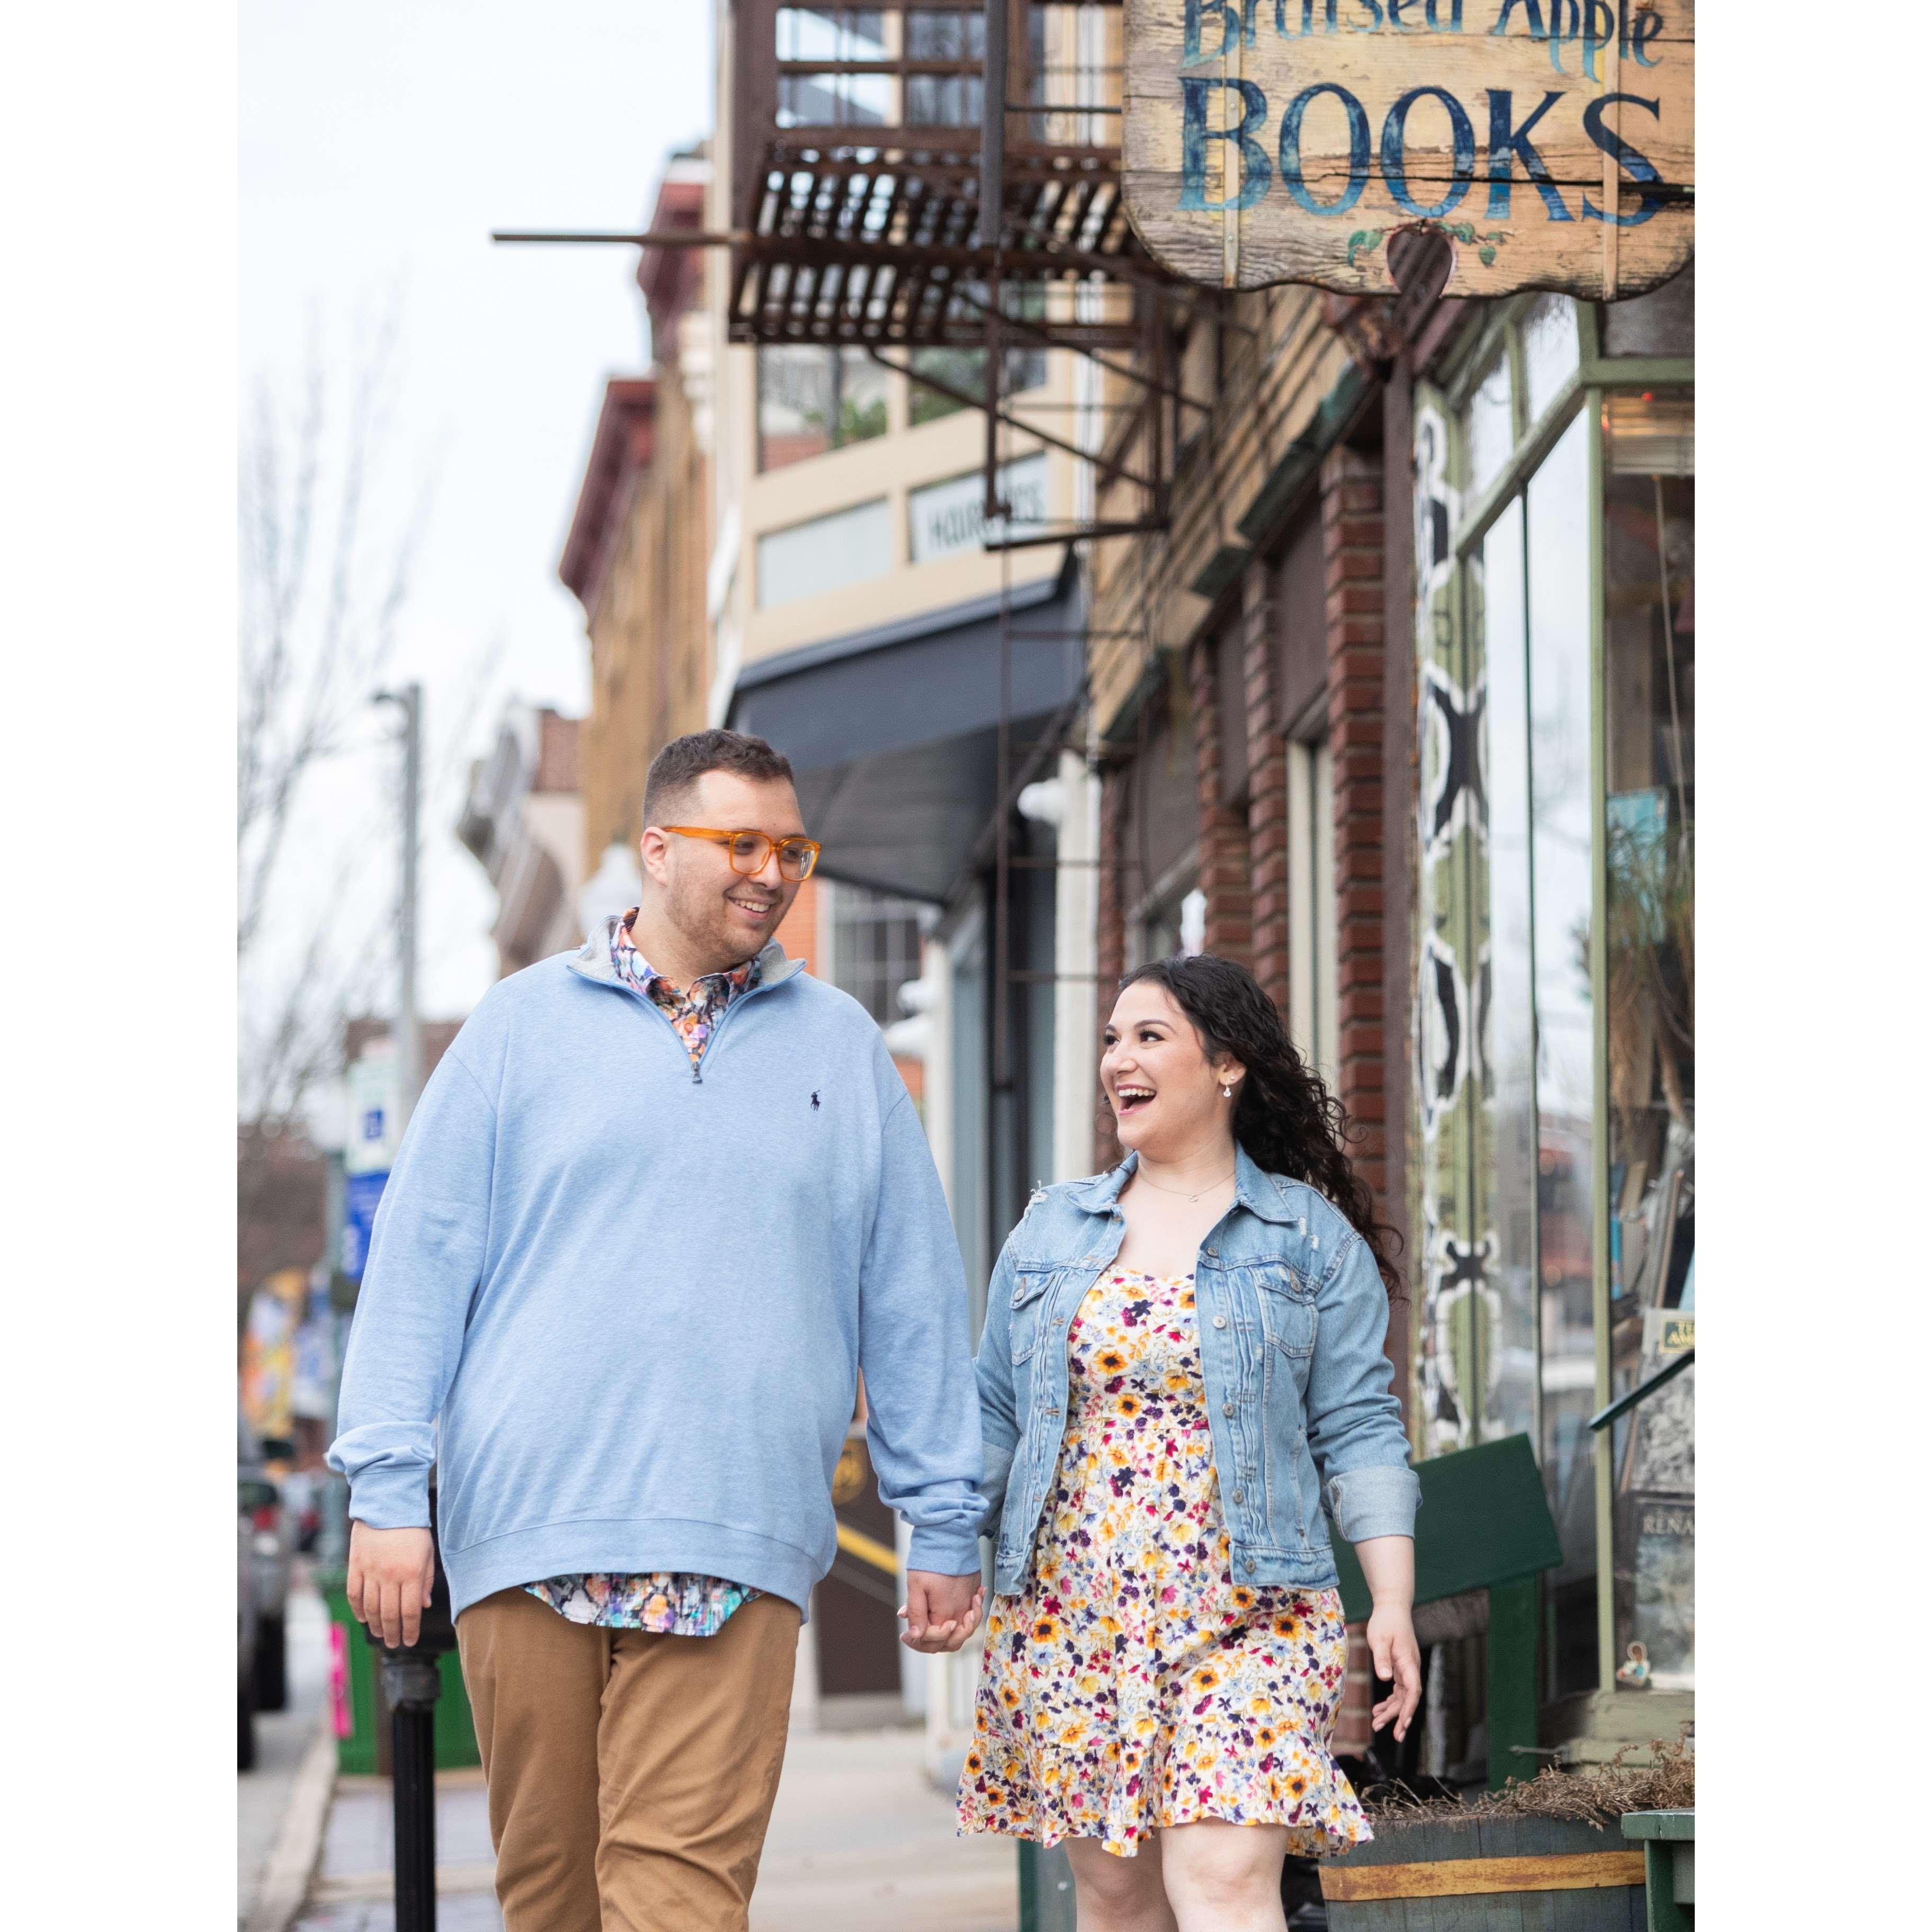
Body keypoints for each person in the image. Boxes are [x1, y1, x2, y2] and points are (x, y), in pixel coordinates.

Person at [328, 729, 986, 1932]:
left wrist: (940, 1513)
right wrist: (386, 1490)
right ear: (656, 849)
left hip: (734, 1534)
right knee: (553, 1903)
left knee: (676, 1904)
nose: (773, 873)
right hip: (529, 1531)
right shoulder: (520, 1031)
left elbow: (912, 1298)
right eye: (742, 843)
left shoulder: (841, 1045)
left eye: (792, 848)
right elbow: (419, 1266)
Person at [958, 954, 1422, 1932]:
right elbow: (995, 1413)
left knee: (1220, 1883)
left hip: (1249, 1614)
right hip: (1070, 1615)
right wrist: (950, 1551)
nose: (1118, 1059)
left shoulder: (1305, 1239)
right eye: (1113, 1039)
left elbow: (1359, 1424)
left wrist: (1390, 1598)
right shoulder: (1052, 1231)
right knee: (1120, 1899)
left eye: (1149, 1036)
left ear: (1227, 1065)